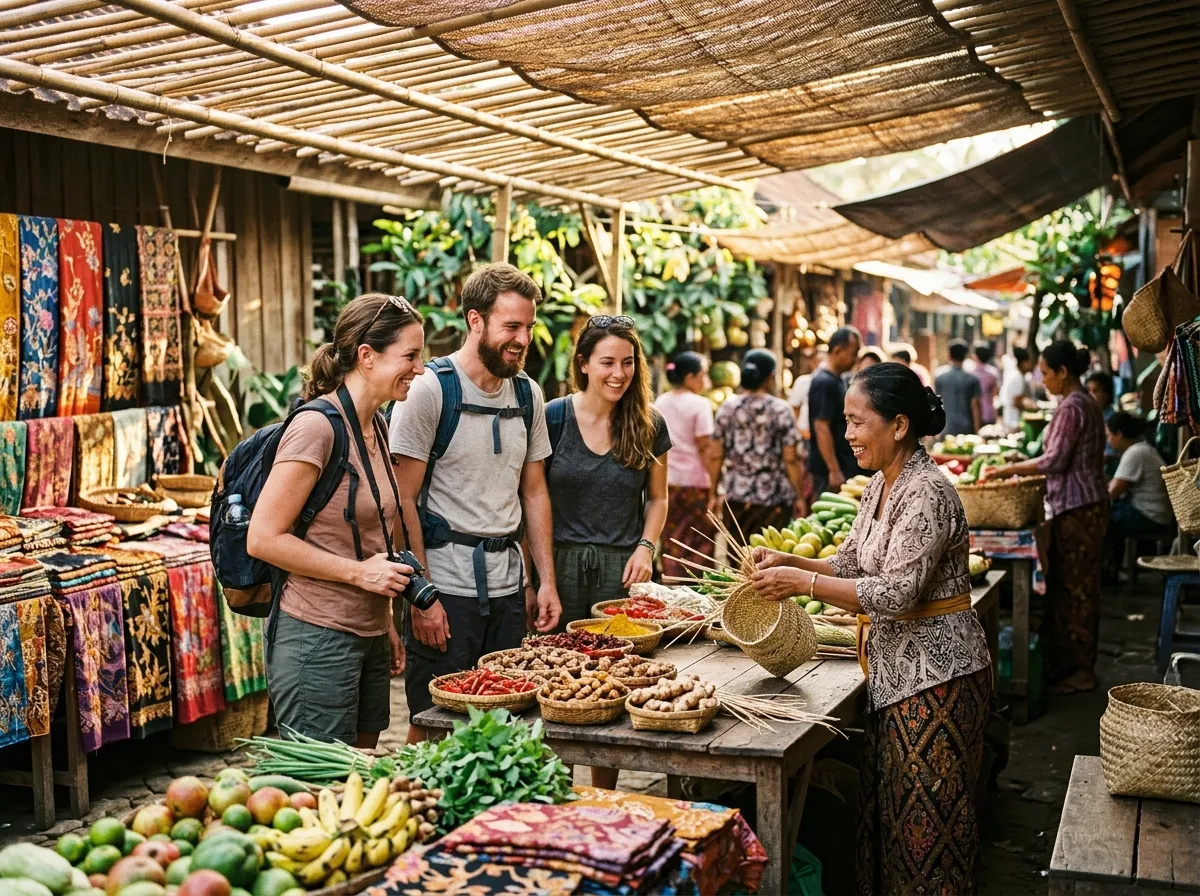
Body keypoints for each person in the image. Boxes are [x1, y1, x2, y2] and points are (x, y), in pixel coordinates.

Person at [749, 362, 991, 894]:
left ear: (899, 425)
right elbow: (852, 564)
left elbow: (897, 593)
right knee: (893, 816)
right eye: (846, 422)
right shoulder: (879, 487)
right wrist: (785, 562)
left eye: (858, 423)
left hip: (936, 678)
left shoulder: (926, 491)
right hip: (894, 676)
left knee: (930, 823)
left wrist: (801, 585)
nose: (848, 435)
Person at [390, 263, 562, 743]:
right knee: (431, 725)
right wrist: (421, 597)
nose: (523, 339)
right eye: (511, 326)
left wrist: (541, 581)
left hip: (507, 591)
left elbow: (533, 492)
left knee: (504, 726)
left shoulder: (528, 394)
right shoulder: (429, 390)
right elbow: (400, 499)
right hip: (445, 589)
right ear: (475, 321)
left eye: (529, 327)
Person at [248, 293, 423, 746]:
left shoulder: (376, 424)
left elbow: (367, 535)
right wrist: (359, 574)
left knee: (359, 783)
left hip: (367, 634)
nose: (420, 369)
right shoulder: (317, 428)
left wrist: (383, 622)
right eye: (410, 356)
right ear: (367, 357)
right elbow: (263, 538)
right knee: (320, 793)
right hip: (315, 637)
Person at [545, 316, 670, 788]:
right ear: (583, 364)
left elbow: (658, 499)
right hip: (561, 563)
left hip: (624, 569)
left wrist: (646, 546)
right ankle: (557, 789)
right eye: (607, 363)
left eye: (628, 363)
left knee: (612, 682)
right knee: (558, 679)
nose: (618, 374)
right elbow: (531, 496)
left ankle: (603, 794)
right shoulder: (554, 417)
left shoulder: (649, 424)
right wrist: (539, 579)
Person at [983, 340, 1107, 694]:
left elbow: (1054, 461)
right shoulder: (1081, 403)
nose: (1043, 379)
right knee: (1074, 587)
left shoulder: (1072, 406)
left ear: (1064, 373)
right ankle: (1070, 665)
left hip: (1078, 508)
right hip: (1082, 505)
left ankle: (1081, 671)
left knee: (1076, 589)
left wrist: (1009, 470)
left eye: (1047, 372)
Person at [709, 349, 806, 536]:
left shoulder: (727, 409)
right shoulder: (780, 410)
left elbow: (715, 456)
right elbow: (791, 459)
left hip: (736, 498)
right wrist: (800, 497)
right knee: (771, 558)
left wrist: (713, 493)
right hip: (774, 499)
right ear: (770, 377)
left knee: (740, 559)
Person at [655, 351, 714, 580]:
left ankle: (671, 577)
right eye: (703, 375)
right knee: (698, 537)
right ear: (690, 377)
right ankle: (693, 583)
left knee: (671, 534)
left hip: (667, 480)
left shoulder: (661, 401)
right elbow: (705, 447)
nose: (705, 381)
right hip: (696, 481)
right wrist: (715, 481)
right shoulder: (700, 405)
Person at [1103, 412, 1172, 577]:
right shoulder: (1142, 448)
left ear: (1119, 434)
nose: (1108, 441)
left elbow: (1113, 491)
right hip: (1156, 514)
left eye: (1108, 436)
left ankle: (1107, 573)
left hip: (1151, 516)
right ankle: (1113, 570)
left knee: (1103, 518)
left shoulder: (1135, 453)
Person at [808, 327, 862, 496]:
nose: (856, 359)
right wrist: (834, 469)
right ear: (838, 350)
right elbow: (821, 426)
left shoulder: (837, 379)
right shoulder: (824, 382)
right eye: (854, 353)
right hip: (828, 470)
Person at [935, 339, 982, 435]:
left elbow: (936, 405)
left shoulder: (940, 377)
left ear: (949, 355)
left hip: (945, 427)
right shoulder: (972, 379)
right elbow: (975, 407)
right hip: (966, 428)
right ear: (966, 356)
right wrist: (978, 431)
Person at [788, 348, 827, 441]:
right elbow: (794, 410)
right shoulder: (803, 382)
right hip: (804, 435)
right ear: (812, 363)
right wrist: (799, 432)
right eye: (819, 362)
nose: (821, 366)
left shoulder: (834, 383)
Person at [1000, 347, 1035, 430]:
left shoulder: (1018, 375)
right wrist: (1033, 406)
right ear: (1023, 363)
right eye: (1029, 362)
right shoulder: (1017, 377)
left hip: (1011, 419)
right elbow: (1016, 401)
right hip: (1013, 421)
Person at [968, 341, 1000, 427]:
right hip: (989, 412)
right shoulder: (993, 372)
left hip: (973, 415)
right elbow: (995, 393)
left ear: (975, 356)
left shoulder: (970, 373)